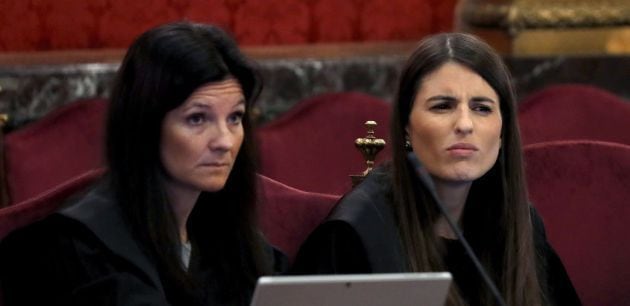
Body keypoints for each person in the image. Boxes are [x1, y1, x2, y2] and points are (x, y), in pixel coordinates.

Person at [0, 21, 286, 306]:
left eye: (234, 117)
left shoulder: (227, 235)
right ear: (146, 126)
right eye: (197, 118)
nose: (225, 140)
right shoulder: (85, 249)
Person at [291, 33, 581, 306]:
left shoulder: (519, 222)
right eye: (443, 106)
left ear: (503, 129)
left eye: (482, 108)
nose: (465, 124)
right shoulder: (358, 232)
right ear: (406, 126)